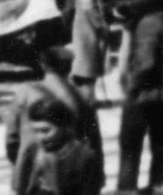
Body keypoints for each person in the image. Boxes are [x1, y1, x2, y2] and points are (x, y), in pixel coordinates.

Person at [113, 0, 163, 195]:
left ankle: (127, 189)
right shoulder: (158, 18)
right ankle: (159, 184)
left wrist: (133, 85)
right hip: (162, 90)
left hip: (144, 91)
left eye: (126, 0)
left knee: (130, 138)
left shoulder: (146, 23)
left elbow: (146, 61)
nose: (123, 6)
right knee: (159, 137)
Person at [6, 46, 102, 176]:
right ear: (69, 67)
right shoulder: (81, 96)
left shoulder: (25, 92)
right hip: (71, 172)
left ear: (43, 66)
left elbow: (12, 136)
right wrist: (97, 175)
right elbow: (93, 140)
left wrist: (19, 163)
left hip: (32, 171)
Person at [69, 0, 110, 95]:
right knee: (86, 63)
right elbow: (88, 5)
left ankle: (88, 97)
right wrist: (100, 25)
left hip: (87, 22)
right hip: (85, 23)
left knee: (89, 61)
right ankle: (85, 98)